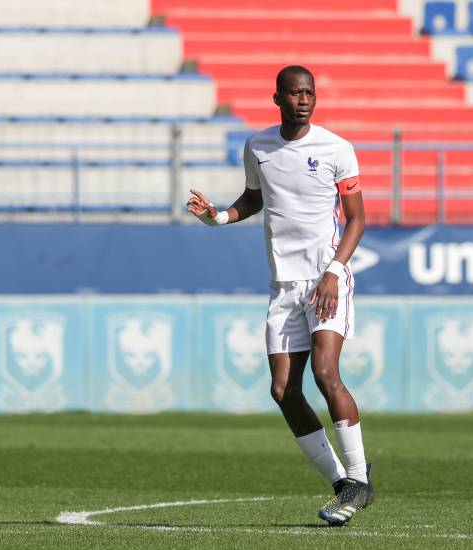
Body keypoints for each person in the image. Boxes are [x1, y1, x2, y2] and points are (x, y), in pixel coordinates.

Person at [186, 65, 373, 527]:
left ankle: (359, 476)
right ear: (278, 98)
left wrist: (334, 271)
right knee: (283, 390)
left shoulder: (336, 148)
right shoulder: (258, 146)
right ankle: (343, 484)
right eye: (295, 93)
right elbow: (254, 198)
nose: (304, 99)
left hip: (327, 278)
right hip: (284, 286)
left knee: (327, 372)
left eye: (309, 92)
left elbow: (357, 220)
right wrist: (219, 217)